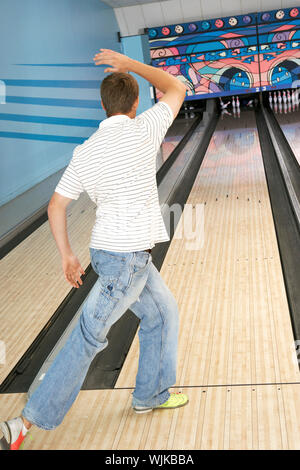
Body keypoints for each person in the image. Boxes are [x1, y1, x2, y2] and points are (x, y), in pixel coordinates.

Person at [0, 49, 188, 450]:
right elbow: (176, 86)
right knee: (86, 338)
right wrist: (131, 64)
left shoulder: (85, 151)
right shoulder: (146, 128)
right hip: (128, 263)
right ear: (135, 104)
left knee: (163, 311)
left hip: (112, 255)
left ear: (103, 106)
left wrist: (67, 255)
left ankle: (149, 395)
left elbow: (56, 206)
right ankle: (26, 423)